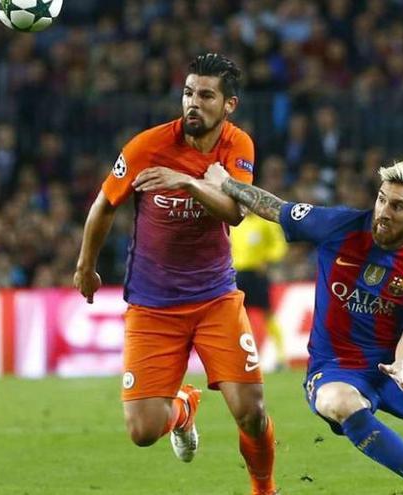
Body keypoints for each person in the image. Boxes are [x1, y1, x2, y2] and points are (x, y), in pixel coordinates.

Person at [205, 160, 403, 495]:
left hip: (401, 365)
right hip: (336, 367)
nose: (383, 211)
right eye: (382, 199)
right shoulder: (338, 225)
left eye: (398, 206)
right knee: (340, 403)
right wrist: (227, 183)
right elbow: (275, 208)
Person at [73, 53, 277, 495]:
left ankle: (264, 490)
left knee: (252, 412)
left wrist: (187, 183)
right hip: (153, 306)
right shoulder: (147, 146)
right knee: (143, 431)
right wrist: (85, 265)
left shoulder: (237, 145)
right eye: (188, 93)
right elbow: (104, 204)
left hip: (215, 299)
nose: (193, 103)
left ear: (229, 105)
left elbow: (236, 213)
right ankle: (184, 407)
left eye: (206, 95)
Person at [230, 212, 290, 369]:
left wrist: (267, 259)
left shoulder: (264, 223)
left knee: (267, 313)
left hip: (257, 273)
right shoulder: (234, 223)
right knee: (240, 316)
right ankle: (244, 357)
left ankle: (281, 356)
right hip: (237, 274)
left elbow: (279, 245)